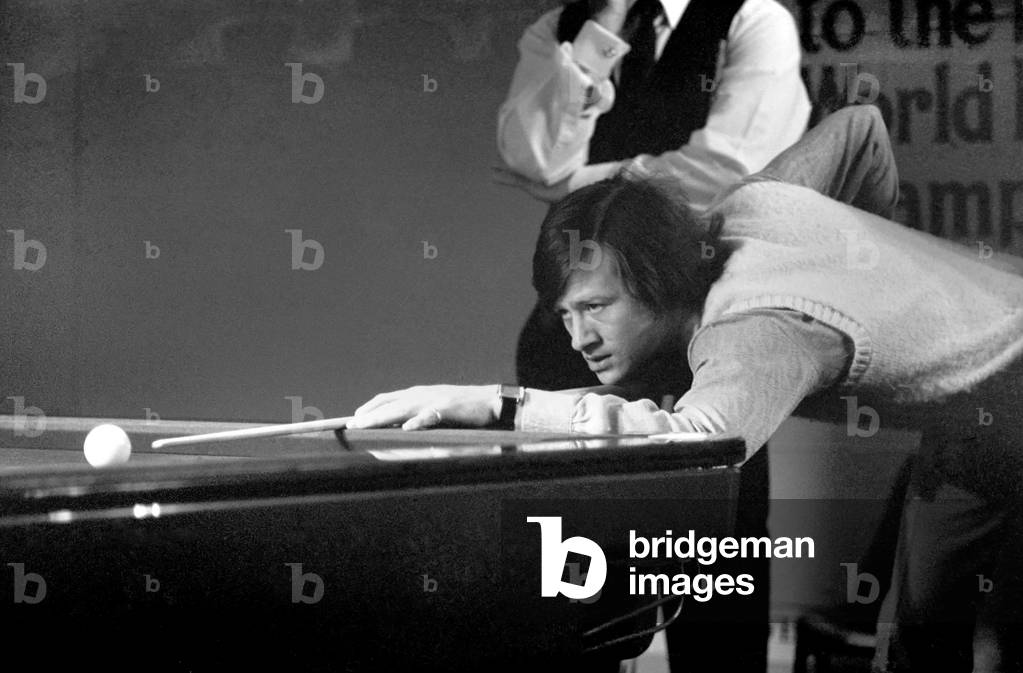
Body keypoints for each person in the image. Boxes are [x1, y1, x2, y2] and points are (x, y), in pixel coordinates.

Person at [352, 106, 1023, 672]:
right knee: (921, 633)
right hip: (983, 395)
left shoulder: (753, 333)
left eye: (595, 307)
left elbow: (696, 439)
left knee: (922, 638)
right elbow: (858, 130)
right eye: (564, 314)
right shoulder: (747, 208)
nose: (576, 337)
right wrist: (870, 270)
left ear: (655, 278)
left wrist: (496, 404)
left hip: (1011, 381)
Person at [494, 0, 811, 393]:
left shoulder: (754, 20)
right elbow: (535, 159)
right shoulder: (562, 27)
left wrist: (577, 183)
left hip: (696, 338)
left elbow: (728, 173)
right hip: (569, 343)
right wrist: (603, 31)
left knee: (709, 450)